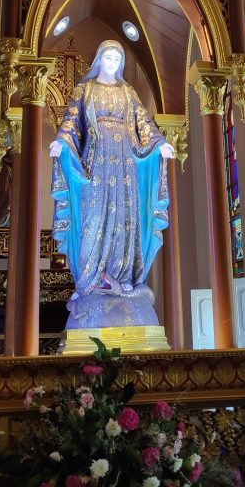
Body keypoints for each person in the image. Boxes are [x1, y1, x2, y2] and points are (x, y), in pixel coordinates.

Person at [49, 40, 174, 329]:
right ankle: (92, 278)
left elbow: (143, 122)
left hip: (125, 165)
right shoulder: (85, 89)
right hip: (96, 163)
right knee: (94, 218)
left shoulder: (128, 92)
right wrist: (61, 141)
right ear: (99, 59)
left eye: (117, 58)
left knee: (124, 220)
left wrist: (160, 144)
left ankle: (123, 276)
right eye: (108, 56)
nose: (113, 61)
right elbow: (72, 121)